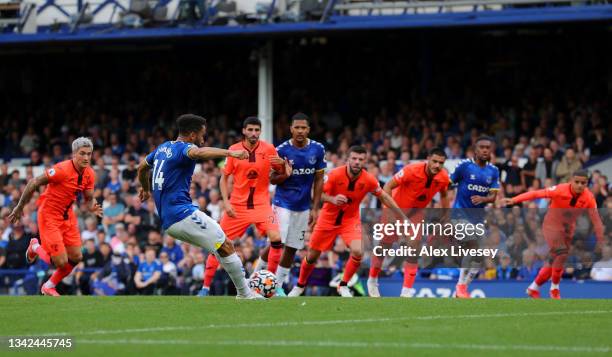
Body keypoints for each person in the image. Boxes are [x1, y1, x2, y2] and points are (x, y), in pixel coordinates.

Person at [137, 114, 263, 299]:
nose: (203, 139)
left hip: (170, 220)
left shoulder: (163, 147)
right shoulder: (185, 148)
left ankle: (244, 292)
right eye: (202, 135)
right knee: (226, 245)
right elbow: (197, 153)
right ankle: (245, 293)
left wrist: (146, 189)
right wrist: (231, 153)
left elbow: (141, 167)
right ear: (192, 135)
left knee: (220, 247)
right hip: (182, 214)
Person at [288, 146, 407, 297]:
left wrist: (401, 215)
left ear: (365, 161)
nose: (357, 162)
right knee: (312, 255)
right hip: (328, 218)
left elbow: (383, 196)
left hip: (350, 220)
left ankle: (343, 285)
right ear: (348, 159)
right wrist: (332, 199)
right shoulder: (334, 174)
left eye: (361, 159)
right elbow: (315, 193)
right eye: (354, 158)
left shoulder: (369, 179)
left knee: (358, 252)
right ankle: (299, 286)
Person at [200, 117, 286, 297]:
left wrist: (283, 167)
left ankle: (273, 285)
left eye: (257, 130)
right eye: (251, 130)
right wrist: (226, 202)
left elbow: (279, 172)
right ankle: (205, 287)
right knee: (218, 243)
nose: (254, 133)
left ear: (260, 131)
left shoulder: (269, 148)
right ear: (244, 131)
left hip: (262, 205)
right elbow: (224, 178)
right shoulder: (234, 150)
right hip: (237, 207)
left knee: (277, 239)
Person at [8, 137, 103, 296]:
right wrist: (19, 207)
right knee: (60, 262)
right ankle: (35, 247)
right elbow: (34, 182)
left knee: (77, 256)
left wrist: (92, 205)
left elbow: (88, 197)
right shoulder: (61, 170)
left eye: (89, 154)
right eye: (82, 154)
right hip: (49, 215)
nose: (86, 158)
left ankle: (48, 286)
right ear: (74, 154)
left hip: (68, 216)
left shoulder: (90, 174)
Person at [502, 170, 604, 299]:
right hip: (552, 225)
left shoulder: (589, 198)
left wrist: (601, 240)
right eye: (576, 182)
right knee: (561, 254)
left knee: (554, 261)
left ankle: (533, 288)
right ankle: (555, 289)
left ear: (587, 184)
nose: (579, 185)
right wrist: (515, 199)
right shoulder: (560, 189)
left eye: (582, 183)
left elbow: (596, 220)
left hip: (568, 230)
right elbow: (536, 194)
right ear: (571, 181)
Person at [367, 147, 450, 297]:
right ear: (428, 159)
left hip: (416, 214)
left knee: (414, 247)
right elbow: (387, 186)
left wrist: (446, 214)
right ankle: (372, 280)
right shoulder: (412, 170)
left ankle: (406, 292)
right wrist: (389, 210)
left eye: (441, 163)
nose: (437, 165)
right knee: (385, 246)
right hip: (395, 209)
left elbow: (444, 194)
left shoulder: (443, 177)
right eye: (434, 161)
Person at [257, 113, 325, 296]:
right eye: (297, 127)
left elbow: (319, 179)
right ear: (291, 129)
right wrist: (285, 175)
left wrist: (315, 207)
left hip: (303, 207)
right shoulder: (281, 150)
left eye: (304, 128)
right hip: (283, 203)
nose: (300, 131)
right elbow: (271, 179)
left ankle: (276, 285)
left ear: (308, 129)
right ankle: (258, 277)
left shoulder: (318, 149)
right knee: (277, 243)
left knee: (293, 247)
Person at [450, 136, 500, 298]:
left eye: (488, 147)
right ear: (475, 149)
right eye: (482, 147)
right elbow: (448, 183)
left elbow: (493, 197)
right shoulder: (464, 166)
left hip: (478, 218)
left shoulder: (493, 171)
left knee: (478, 260)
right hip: (459, 213)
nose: (485, 150)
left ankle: (462, 289)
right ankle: (460, 287)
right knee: (472, 245)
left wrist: (483, 199)